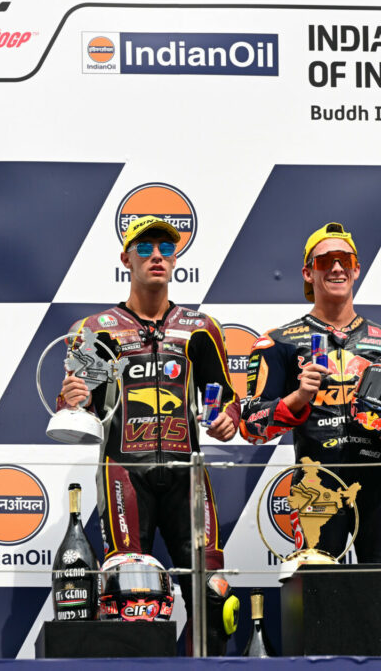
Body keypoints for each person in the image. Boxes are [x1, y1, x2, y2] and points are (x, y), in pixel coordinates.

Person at [57, 215, 240, 653]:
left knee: (214, 597)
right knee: (129, 596)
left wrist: (226, 420)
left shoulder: (201, 327)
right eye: (144, 247)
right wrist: (74, 396)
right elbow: (73, 410)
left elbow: (229, 403)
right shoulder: (96, 328)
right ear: (126, 258)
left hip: (187, 474)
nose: (156, 255)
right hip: (124, 473)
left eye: (165, 247)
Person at [241, 222, 381, 564]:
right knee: (317, 597)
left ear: (356, 269)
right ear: (308, 272)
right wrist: (298, 398)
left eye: (344, 259)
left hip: (378, 486)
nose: (336, 267)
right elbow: (251, 426)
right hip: (314, 485)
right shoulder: (278, 343)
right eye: (325, 261)